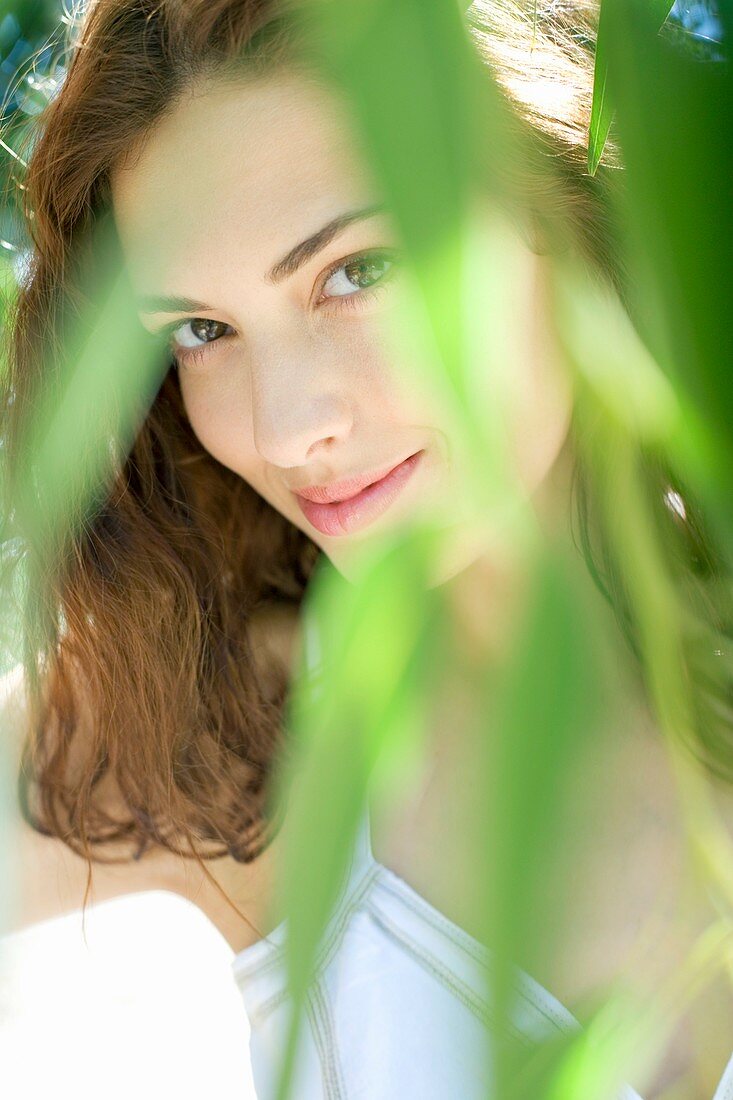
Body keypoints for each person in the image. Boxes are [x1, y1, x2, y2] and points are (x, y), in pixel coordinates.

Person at [1, 0, 732, 1097]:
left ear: (571, 203)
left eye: (360, 270)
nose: (288, 425)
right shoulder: (147, 745)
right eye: (200, 329)